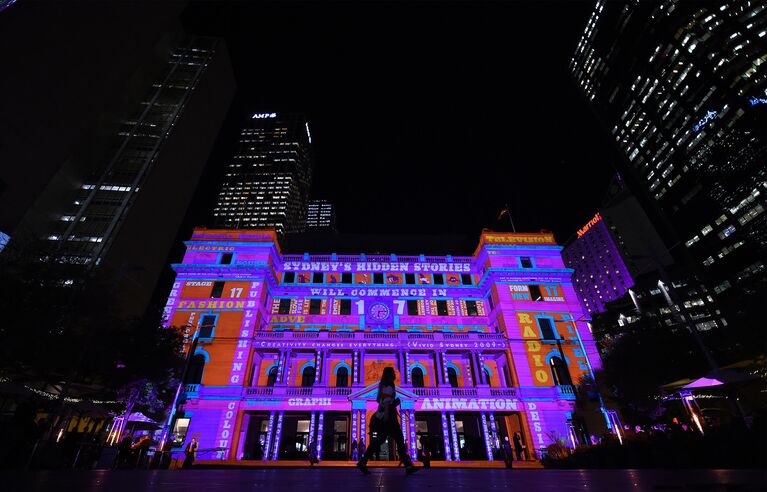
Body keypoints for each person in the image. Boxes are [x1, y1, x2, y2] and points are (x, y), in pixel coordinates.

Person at [356, 367, 418, 475]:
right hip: (389, 416)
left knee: (380, 440)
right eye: (393, 373)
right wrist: (393, 406)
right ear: (390, 375)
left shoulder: (382, 385)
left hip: (386, 415)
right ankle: (408, 465)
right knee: (398, 439)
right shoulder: (389, 385)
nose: (395, 374)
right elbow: (386, 403)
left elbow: (379, 400)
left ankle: (363, 461)